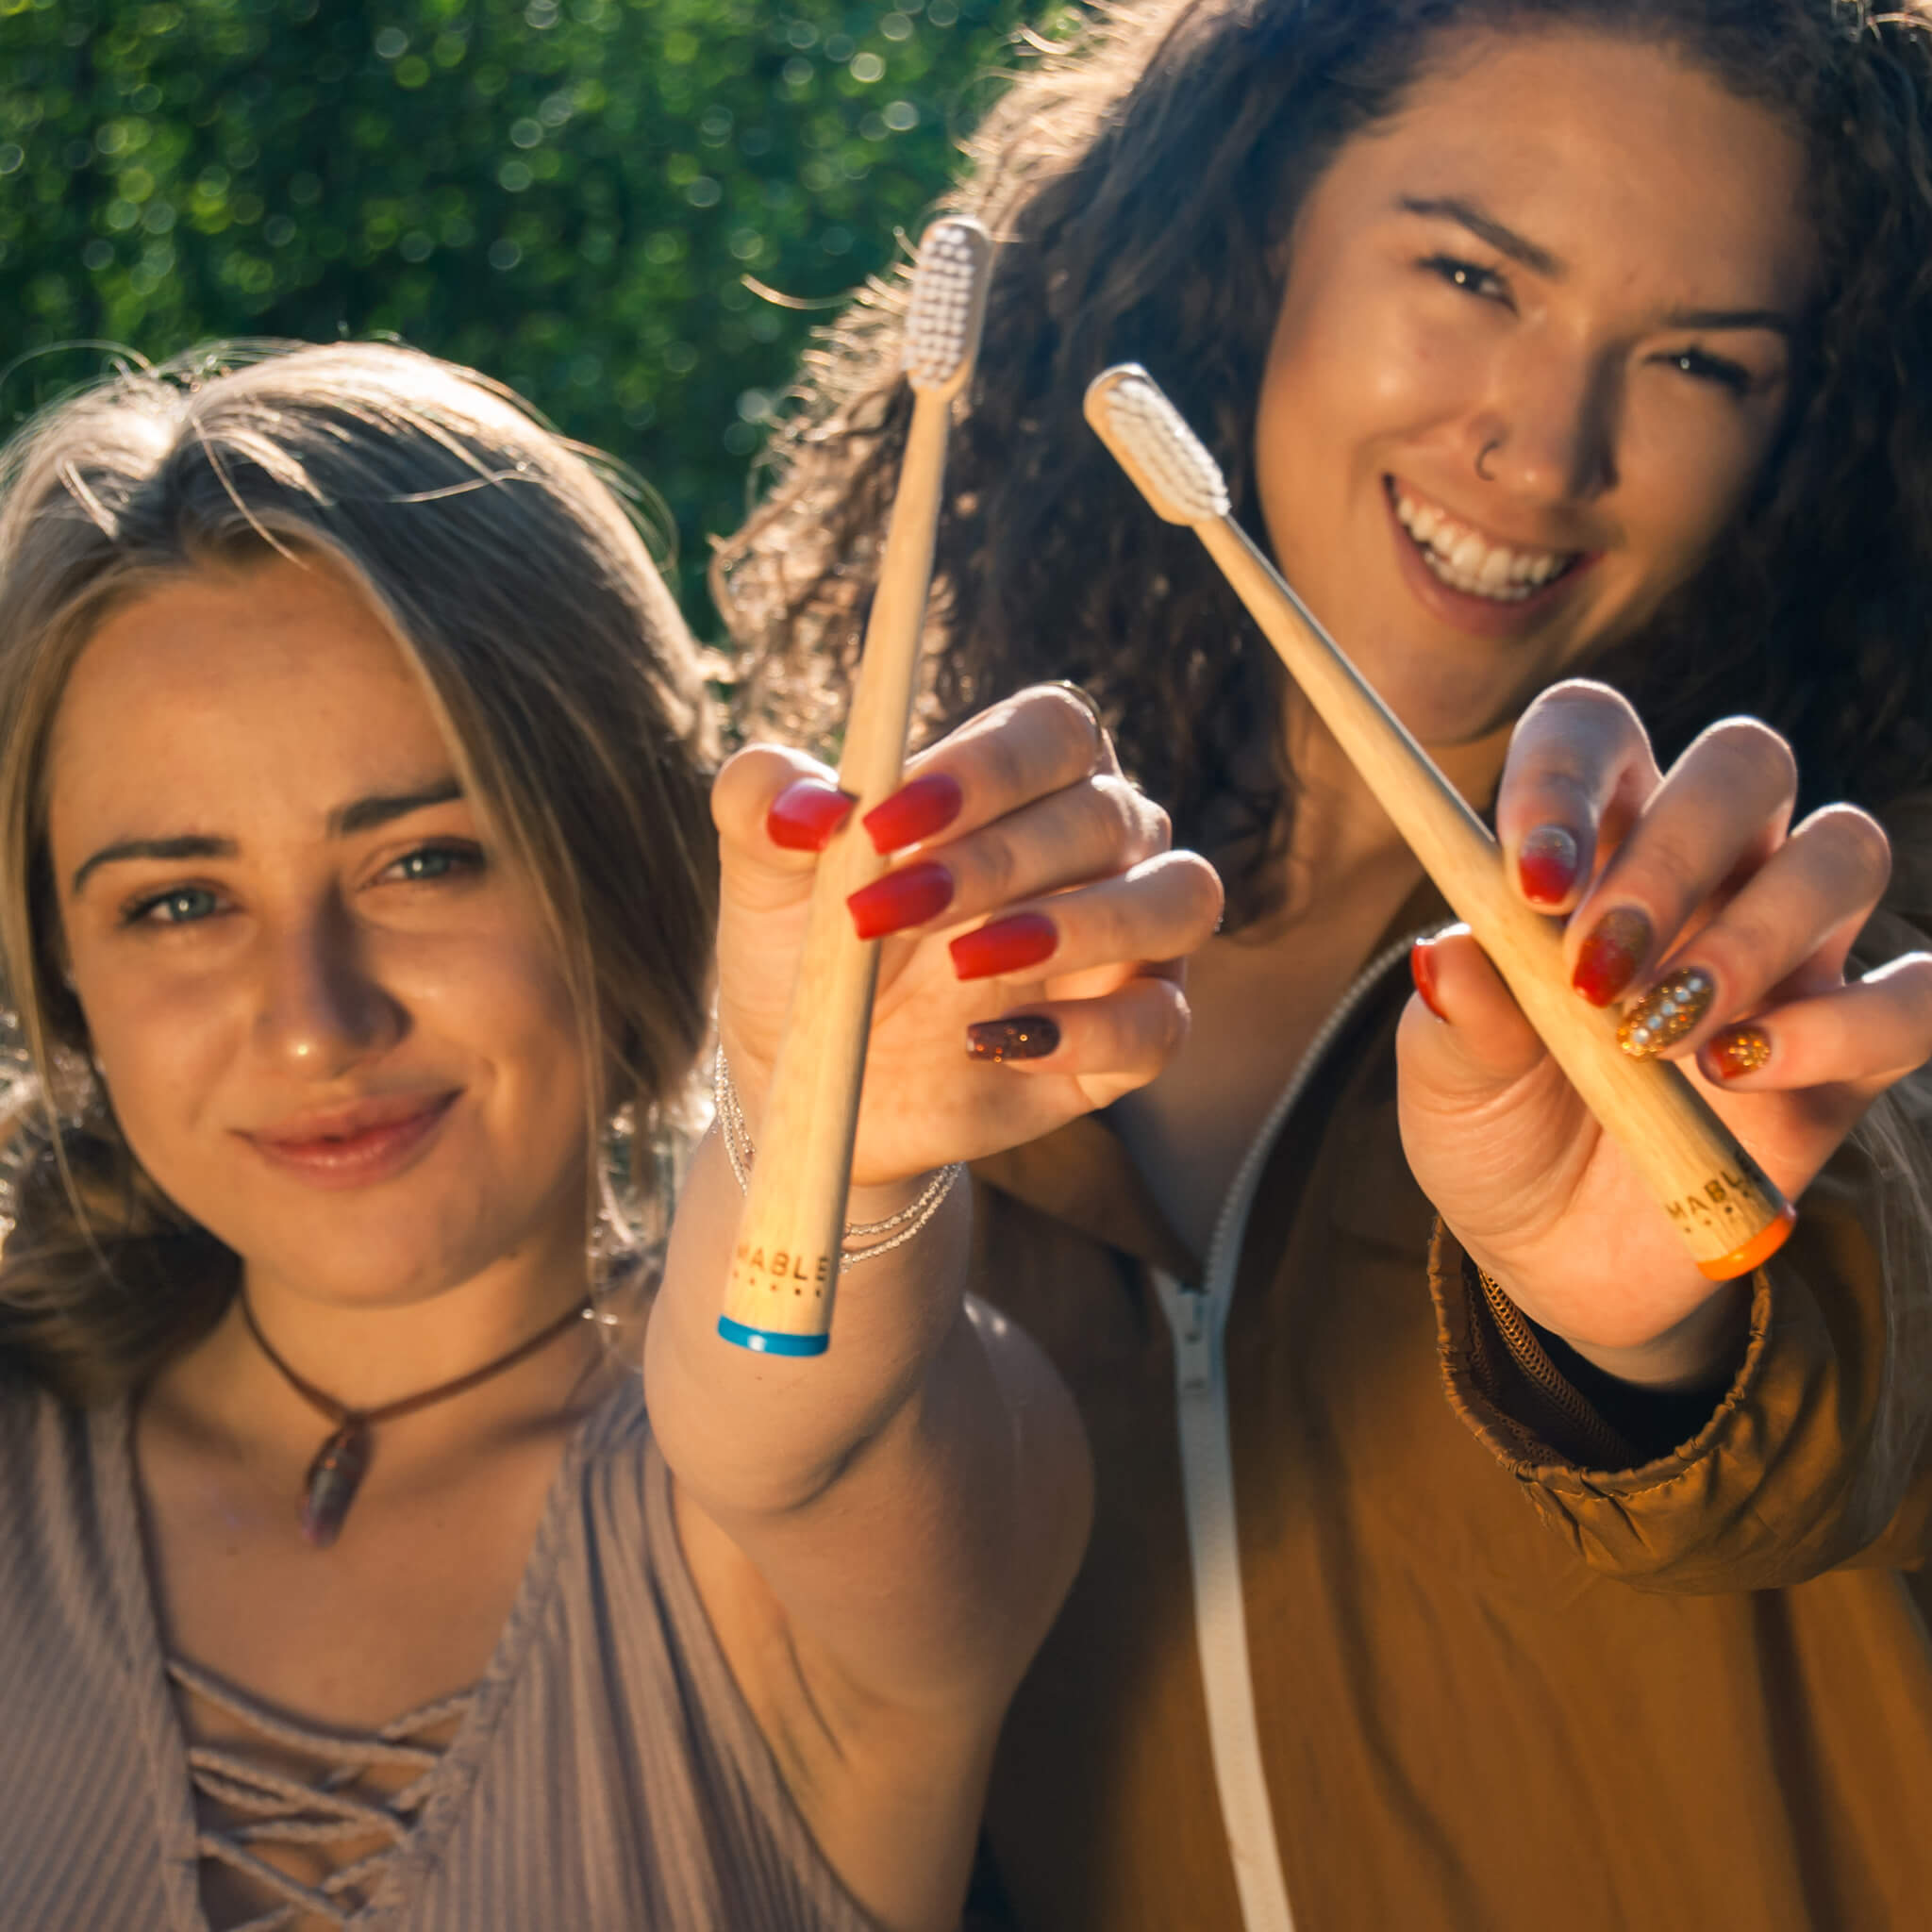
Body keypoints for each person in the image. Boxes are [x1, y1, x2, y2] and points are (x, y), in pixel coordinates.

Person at [714, 1, 1932, 1924]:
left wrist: (1659, 1334)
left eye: (1701, 359)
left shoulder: (1827, 940)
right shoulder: (947, 961)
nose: (1542, 450)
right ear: (1254, 240)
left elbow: (1860, 1420)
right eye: (1469, 274)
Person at [0, 340, 1221, 1932]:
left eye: (425, 861)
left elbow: (794, 1422)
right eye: (178, 902)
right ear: (66, 971)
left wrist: (823, 1131)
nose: (314, 1020)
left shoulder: (805, 1525)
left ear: (621, 860)